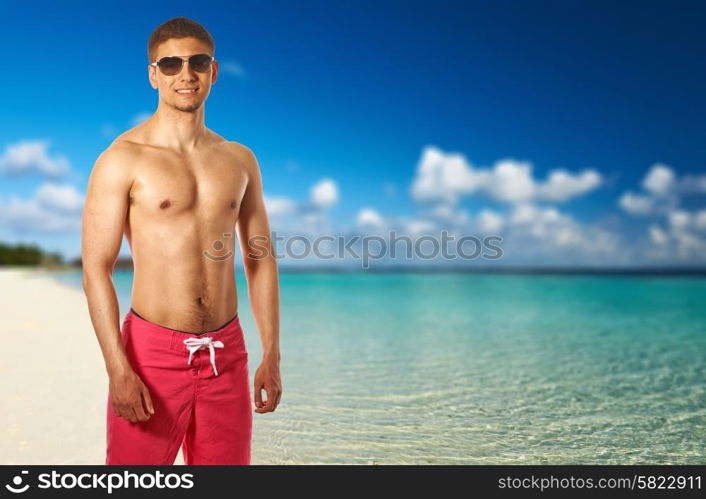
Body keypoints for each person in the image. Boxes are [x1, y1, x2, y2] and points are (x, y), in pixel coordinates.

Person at [81, 16, 282, 465]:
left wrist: (271, 353)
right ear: (154, 74)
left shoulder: (239, 159)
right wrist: (118, 367)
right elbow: (96, 268)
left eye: (198, 62)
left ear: (214, 71)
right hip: (151, 356)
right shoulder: (121, 159)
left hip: (227, 355)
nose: (185, 75)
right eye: (170, 64)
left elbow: (260, 259)